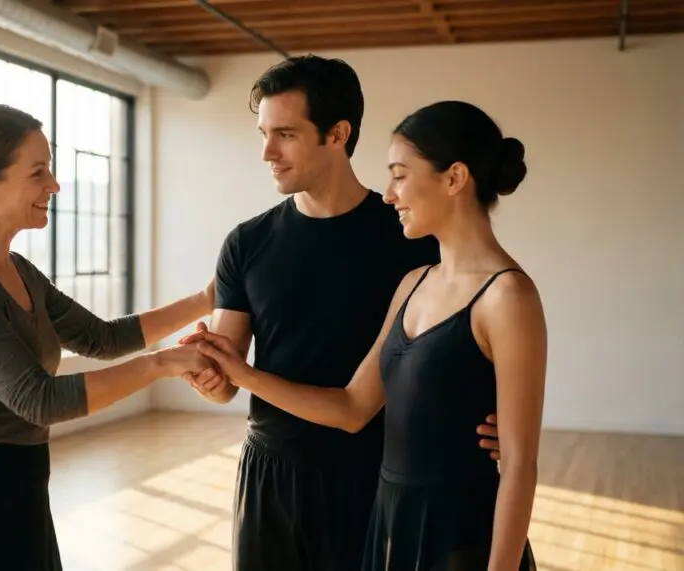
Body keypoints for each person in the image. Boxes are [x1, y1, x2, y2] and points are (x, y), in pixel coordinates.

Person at [188, 100, 544, 571]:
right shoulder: (413, 284)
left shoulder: (509, 296)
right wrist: (240, 373)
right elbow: (352, 407)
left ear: (454, 178)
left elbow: (519, 466)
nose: (390, 194)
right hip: (389, 528)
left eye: (400, 175)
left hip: (462, 536)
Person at [0, 102, 219, 571]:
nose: (54, 185)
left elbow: (102, 338)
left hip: (18, 490)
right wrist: (162, 364)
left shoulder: (18, 270)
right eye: (37, 172)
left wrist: (207, 299)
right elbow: (39, 400)